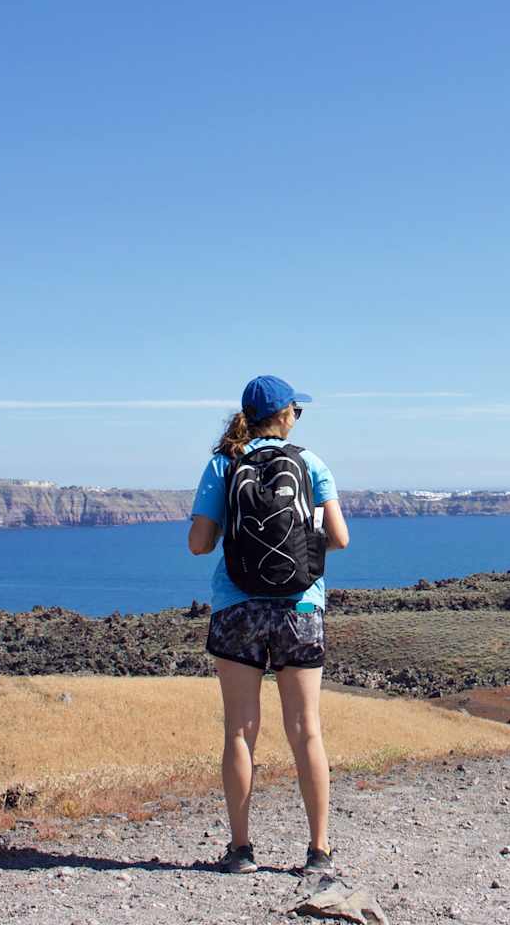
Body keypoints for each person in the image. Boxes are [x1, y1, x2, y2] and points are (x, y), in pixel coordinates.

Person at [186, 374, 350, 875]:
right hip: (301, 609)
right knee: (306, 731)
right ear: (285, 416)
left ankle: (240, 850)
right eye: (297, 410)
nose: (298, 417)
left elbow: (198, 543)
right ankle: (318, 853)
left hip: (236, 608)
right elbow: (340, 539)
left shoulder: (223, 463)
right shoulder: (311, 464)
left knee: (240, 731)